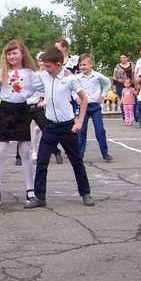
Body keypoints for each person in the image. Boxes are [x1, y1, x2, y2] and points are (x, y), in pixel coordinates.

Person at [25, 48, 93, 209]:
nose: (45, 69)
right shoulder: (44, 76)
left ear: (58, 64)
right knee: (42, 161)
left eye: (48, 66)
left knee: (77, 161)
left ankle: (85, 193)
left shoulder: (70, 79)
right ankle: (39, 196)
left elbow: (84, 99)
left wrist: (80, 122)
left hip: (67, 126)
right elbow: (30, 78)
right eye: (44, 66)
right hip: (50, 126)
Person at [0, 40, 43, 207]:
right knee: (0, 152)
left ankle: (30, 190)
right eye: (9, 53)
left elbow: (44, 87)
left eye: (15, 53)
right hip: (5, 111)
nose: (12, 56)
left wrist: (41, 100)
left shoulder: (30, 74)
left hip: (21, 111)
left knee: (25, 152)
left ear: (22, 54)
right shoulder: (2, 72)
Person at [75, 53, 113, 162]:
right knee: (81, 131)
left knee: (100, 130)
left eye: (84, 65)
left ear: (91, 64)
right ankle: (79, 155)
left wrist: (102, 95)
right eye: (80, 65)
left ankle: (105, 153)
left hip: (95, 106)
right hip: (84, 107)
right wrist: (76, 97)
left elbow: (107, 83)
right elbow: (72, 88)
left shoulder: (97, 76)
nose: (82, 67)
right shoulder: (77, 77)